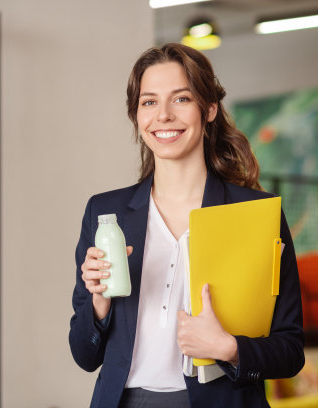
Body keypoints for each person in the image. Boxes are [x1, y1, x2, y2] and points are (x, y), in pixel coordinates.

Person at [69, 43, 304, 408]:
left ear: (208, 109)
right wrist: (98, 302)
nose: (163, 115)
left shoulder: (256, 213)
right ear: (136, 115)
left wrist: (228, 348)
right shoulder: (105, 213)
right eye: (149, 102)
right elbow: (84, 355)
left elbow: (290, 350)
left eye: (180, 99)